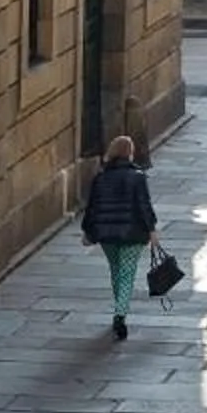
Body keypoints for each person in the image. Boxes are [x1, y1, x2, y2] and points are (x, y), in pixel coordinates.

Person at [78, 134, 160, 341]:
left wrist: (88, 231)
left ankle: (119, 307)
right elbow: (144, 206)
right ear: (130, 154)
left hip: (107, 235)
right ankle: (120, 314)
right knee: (127, 273)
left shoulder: (100, 178)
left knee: (116, 271)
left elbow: (92, 208)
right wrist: (152, 230)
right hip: (133, 234)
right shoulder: (138, 177)